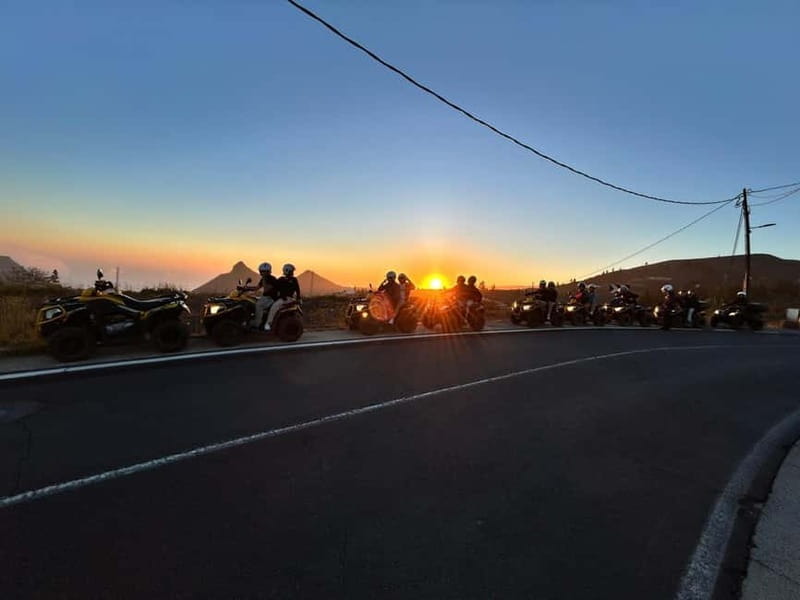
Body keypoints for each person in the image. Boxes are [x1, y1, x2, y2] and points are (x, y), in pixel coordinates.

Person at [265, 263, 301, 331]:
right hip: (282, 298)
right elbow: (275, 286)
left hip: (287, 299)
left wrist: (298, 298)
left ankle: (268, 323)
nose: (292, 272)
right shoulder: (281, 279)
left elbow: (297, 289)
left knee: (274, 307)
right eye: (292, 271)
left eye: (292, 271)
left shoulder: (293, 279)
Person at [253, 262, 279, 330]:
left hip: (271, 298)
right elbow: (257, 288)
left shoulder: (272, 279)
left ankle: (257, 324)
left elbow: (267, 289)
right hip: (266, 298)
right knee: (252, 302)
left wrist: (264, 279)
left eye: (261, 271)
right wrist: (245, 288)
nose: (260, 273)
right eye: (260, 271)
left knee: (258, 305)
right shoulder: (263, 279)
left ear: (266, 271)